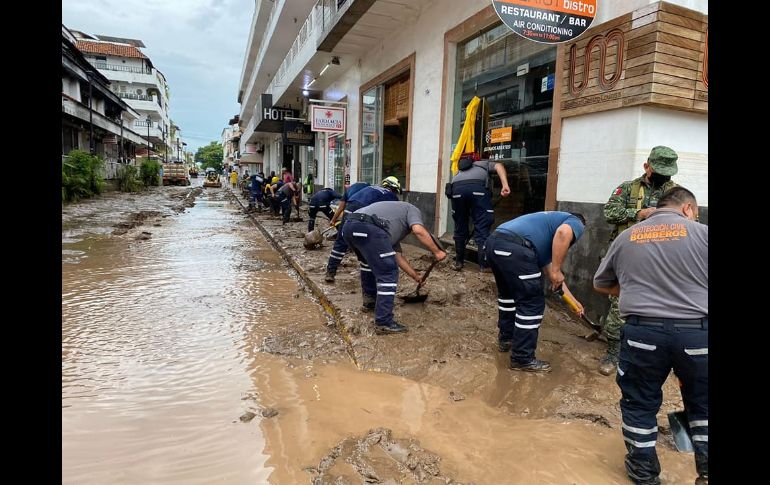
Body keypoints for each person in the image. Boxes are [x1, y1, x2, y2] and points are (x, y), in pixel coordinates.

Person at [593, 187, 707, 485]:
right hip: (697, 335)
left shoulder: (626, 237)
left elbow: (601, 284)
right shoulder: (703, 234)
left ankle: (644, 476)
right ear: (687, 209)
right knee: (704, 403)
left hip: (642, 334)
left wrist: (637, 289)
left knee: (639, 403)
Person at [598, 146, 680, 376]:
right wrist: (638, 214)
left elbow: (690, 222)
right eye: (659, 171)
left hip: (663, 259)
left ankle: (656, 353)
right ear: (647, 166)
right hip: (629, 256)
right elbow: (609, 213)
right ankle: (613, 352)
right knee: (619, 303)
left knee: (662, 305)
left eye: (667, 173)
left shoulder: (677, 194)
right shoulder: (627, 188)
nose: (664, 176)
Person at [484, 211, 586, 372]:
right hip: (517, 249)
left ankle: (506, 339)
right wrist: (557, 270)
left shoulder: (541, 232)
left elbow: (553, 275)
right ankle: (521, 358)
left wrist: (573, 302)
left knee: (507, 295)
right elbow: (563, 232)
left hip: (493, 243)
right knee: (532, 304)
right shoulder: (575, 221)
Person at [343, 200, 447, 334]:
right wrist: (437, 252)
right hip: (370, 228)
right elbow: (419, 230)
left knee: (368, 264)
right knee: (388, 273)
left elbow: (398, 257)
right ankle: (384, 322)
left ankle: (370, 302)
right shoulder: (412, 209)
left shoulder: (391, 227)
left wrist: (416, 276)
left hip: (349, 226)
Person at [324, 177, 401, 283]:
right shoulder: (391, 197)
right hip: (364, 213)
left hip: (350, 208)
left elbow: (342, 206)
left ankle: (330, 272)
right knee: (368, 244)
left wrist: (334, 219)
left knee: (341, 242)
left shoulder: (371, 188)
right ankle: (369, 277)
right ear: (394, 189)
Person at [448, 155, 511, 271]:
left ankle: (458, 262)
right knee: (482, 226)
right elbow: (499, 166)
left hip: (456, 190)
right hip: (477, 189)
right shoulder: (483, 163)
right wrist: (505, 185)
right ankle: (484, 265)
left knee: (460, 226)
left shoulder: (459, 172)